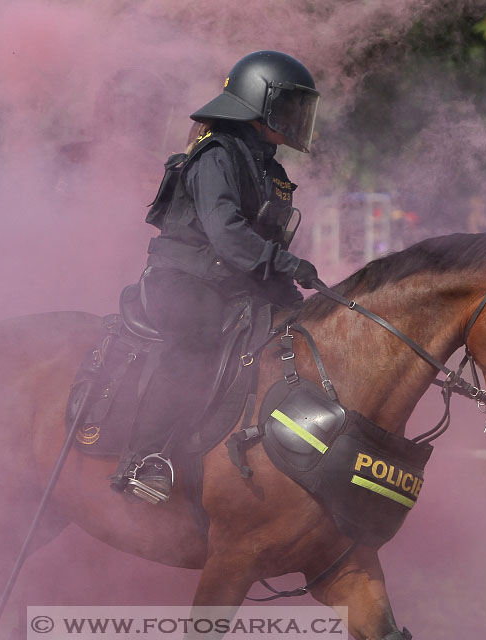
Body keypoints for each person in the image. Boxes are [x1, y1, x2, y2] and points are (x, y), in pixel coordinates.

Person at [111, 50, 321, 501]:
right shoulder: (217, 154)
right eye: (289, 106)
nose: (296, 117)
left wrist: (301, 297)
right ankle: (144, 458)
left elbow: (262, 249)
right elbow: (227, 236)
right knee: (198, 338)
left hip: (234, 283)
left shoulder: (270, 167)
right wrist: (286, 265)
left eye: (300, 108)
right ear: (257, 104)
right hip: (182, 281)